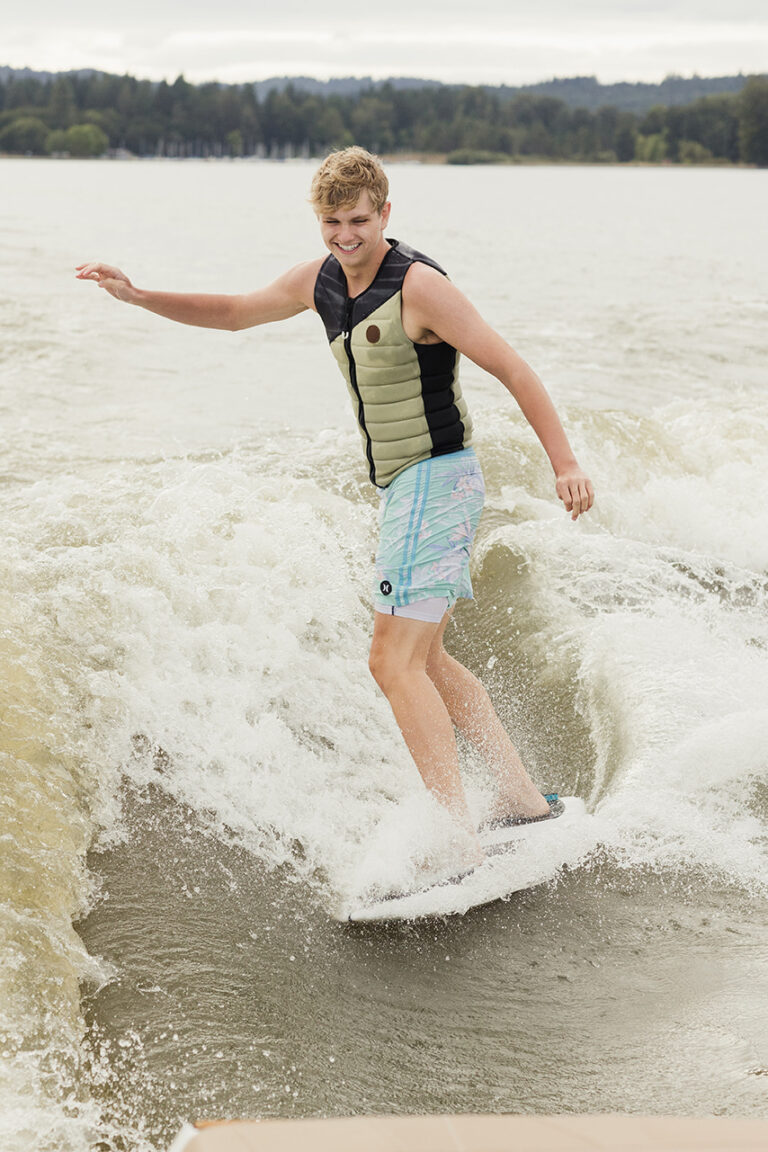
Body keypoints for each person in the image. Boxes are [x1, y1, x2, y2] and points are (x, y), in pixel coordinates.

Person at [77, 146, 594, 869]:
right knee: (428, 658)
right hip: (408, 491)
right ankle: (520, 801)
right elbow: (232, 314)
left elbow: (511, 367)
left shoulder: (419, 286)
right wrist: (140, 296)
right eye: (331, 221)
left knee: (391, 662)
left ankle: (456, 843)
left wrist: (564, 462)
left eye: (358, 220)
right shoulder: (319, 281)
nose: (345, 235)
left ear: (385, 212)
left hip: (437, 480)